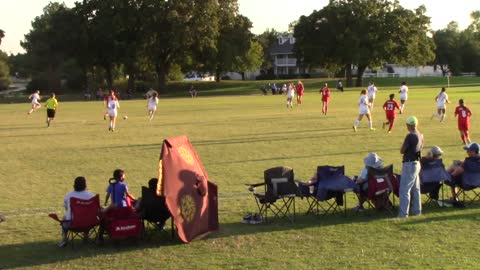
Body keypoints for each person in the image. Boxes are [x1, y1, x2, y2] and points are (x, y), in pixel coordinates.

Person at [58, 176, 95, 247]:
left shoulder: (69, 195)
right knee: (86, 216)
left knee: (64, 218)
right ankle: (86, 236)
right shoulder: (91, 195)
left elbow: (67, 209)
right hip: (89, 223)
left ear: (74, 185)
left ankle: (64, 238)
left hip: (73, 224)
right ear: (85, 185)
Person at [398, 116, 423, 218]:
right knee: (416, 189)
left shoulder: (410, 136)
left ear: (409, 125)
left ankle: (403, 214)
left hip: (409, 164)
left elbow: (402, 150)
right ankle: (417, 211)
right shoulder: (420, 135)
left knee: (404, 190)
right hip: (417, 163)